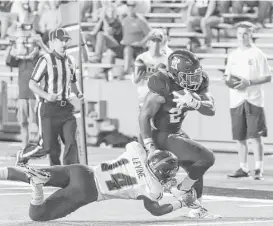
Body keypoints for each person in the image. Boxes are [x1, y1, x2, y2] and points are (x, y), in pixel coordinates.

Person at [0, 141, 198, 221]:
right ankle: (37, 187)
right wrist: (181, 202)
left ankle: (22, 176)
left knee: (24, 172)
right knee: (38, 215)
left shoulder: (136, 151)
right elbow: (155, 210)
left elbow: (138, 145)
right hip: (89, 191)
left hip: (81, 171)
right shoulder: (152, 188)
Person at [139, 49, 221, 219]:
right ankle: (182, 189)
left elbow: (211, 109)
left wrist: (195, 102)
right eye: (188, 75)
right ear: (175, 74)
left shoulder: (199, 83)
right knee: (207, 158)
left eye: (196, 74)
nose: (194, 79)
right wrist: (149, 145)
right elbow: (144, 116)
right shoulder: (163, 85)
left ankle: (197, 209)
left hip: (175, 131)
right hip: (160, 134)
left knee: (195, 168)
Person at [18, 28, 84, 166]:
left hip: (66, 108)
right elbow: (32, 83)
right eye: (61, 40)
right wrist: (47, 95)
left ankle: (70, 171)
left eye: (66, 40)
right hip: (49, 109)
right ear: (53, 42)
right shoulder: (45, 60)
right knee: (48, 147)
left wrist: (78, 93)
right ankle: (24, 155)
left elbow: (72, 81)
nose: (64, 44)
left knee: (71, 141)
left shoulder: (71, 61)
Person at [225, 22, 272, 180]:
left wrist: (249, 82)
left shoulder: (258, 54)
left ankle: (258, 168)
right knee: (239, 137)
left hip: (253, 100)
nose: (242, 37)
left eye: (245, 33)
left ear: (251, 34)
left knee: (255, 136)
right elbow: (228, 76)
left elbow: (267, 76)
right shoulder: (233, 55)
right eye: (239, 33)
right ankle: (243, 168)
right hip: (236, 99)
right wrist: (229, 81)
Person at [6, 23, 40, 150]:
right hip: (22, 94)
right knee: (23, 123)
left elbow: (37, 51)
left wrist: (33, 40)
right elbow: (9, 60)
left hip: (33, 94)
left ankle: (36, 148)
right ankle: (24, 148)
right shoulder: (20, 59)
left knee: (35, 124)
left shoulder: (36, 56)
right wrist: (12, 43)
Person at [133, 29, 169, 108]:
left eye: (158, 41)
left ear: (161, 43)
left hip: (159, 96)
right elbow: (135, 80)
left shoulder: (166, 60)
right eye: (153, 40)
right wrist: (138, 78)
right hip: (144, 95)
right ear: (149, 43)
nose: (156, 43)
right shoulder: (142, 58)